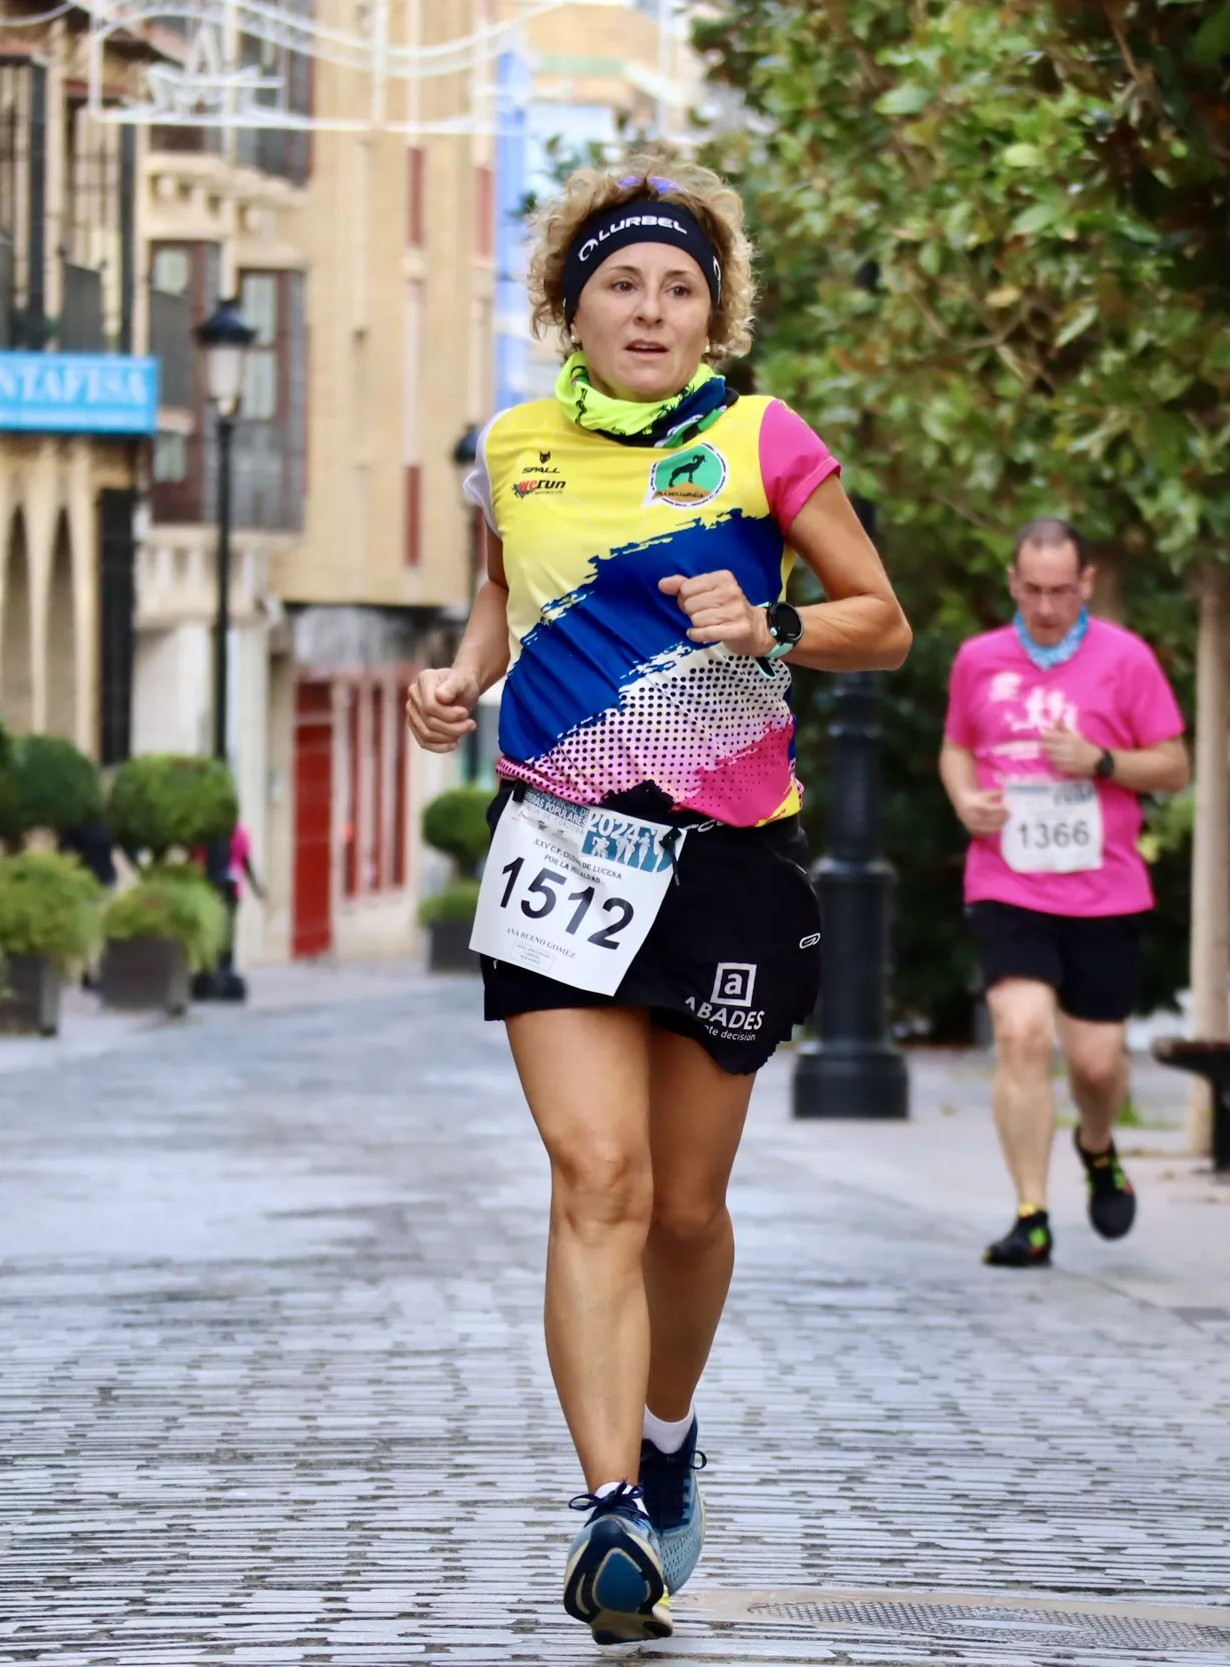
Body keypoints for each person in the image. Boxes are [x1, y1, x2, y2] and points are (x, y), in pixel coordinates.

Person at [404, 155, 909, 1646]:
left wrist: (777, 622)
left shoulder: (762, 438)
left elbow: (881, 623)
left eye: (678, 287)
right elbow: (510, 600)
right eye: (622, 281)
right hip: (560, 844)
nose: (649, 307)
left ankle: (670, 1429)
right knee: (596, 1177)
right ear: (570, 304)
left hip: (728, 856)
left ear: (713, 315)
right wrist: (459, 676)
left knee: (686, 1206)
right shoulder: (515, 443)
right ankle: (610, 1503)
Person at [940, 520, 1189, 1270]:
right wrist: (963, 798)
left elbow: (1174, 765)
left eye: (1061, 590)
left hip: (1104, 890)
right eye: (1033, 589)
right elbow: (957, 745)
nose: (1047, 606)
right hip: (1006, 879)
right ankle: (1032, 1214)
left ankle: (1097, 1143)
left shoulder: (1127, 659)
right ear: (1014, 583)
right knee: (1019, 1033)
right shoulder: (979, 659)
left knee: (1096, 1066)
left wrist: (1103, 760)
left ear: (1085, 583)